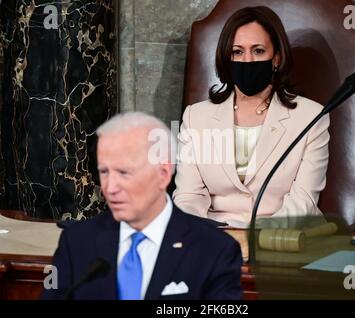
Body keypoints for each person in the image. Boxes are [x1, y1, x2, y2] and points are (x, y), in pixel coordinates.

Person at [42, 112, 242, 300]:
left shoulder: (215, 250)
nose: (110, 188)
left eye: (124, 173)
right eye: (104, 172)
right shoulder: (76, 241)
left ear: (163, 174)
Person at [173, 6, 330, 228]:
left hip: (284, 238)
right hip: (216, 238)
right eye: (237, 52)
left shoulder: (311, 117)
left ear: (276, 58)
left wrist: (256, 239)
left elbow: (303, 201)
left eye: (258, 51)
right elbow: (188, 197)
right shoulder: (195, 117)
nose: (247, 61)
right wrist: (200, 237)